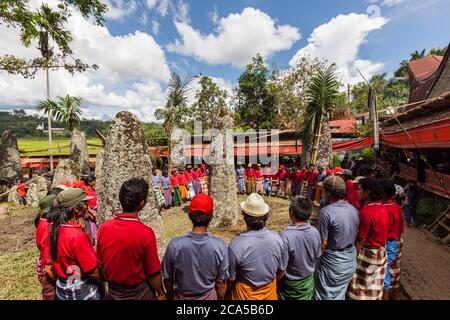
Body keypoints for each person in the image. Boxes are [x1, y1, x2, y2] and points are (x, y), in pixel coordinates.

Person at [96, 178, 166, 300]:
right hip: (138, 293)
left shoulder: (104, 228)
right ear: (142, 203)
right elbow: (153, 272)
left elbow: (100, 263)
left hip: (113, 291)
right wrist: (160, 292)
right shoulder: (145, 233)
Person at [162, 194, 229, 300]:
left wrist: (170, 295)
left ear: (189, 215)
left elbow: (167, 278)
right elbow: (221, 282)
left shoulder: (175, 245)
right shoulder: (219, 246)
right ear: (211, 217)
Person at [227, 193, 287, 300]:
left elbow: (231, 279)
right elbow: (281, 270)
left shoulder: (236, 245)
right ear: (266, 217)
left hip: (244, 295)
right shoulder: (277, 239)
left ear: (244, 217)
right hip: (270, 293)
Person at [47, 188, 104, 300]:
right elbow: (93, 271)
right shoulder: (76, 235)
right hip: (81, 289)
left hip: (64, 286)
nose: (87, 206)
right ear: (76, 210)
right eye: (85, 203)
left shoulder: (56, 228)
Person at [314, 176, 360, 300]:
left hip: (332, 263)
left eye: (323, 191)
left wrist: (313, 260)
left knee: (324, 295)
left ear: (328, 193)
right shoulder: (353, 210)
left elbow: (322, 244)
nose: (322, 193)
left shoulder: (326, 212)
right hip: (348, 261)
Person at [347, 178, 389, 300]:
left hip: (367, 253)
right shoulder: (383, 208)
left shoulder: (366, 212)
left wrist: (352, 257)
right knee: (374, 288)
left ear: (368, 192)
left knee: (359, 288)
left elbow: (361, 240)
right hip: (380, 252)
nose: (357, 192)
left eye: (359, 189)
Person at [278, 197, 321, 300]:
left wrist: (274, 282)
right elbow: (317, 256)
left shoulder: (285, 236)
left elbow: (281, 269)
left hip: (289, 287)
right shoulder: (315, 232)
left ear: (291, 212)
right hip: (307, 284)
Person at [35, 187, 64, 300]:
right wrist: (62, 283)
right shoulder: (48, 227)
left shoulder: (43, 221)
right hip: (49, 272)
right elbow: (48, 267)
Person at [381, 180, 405, 300]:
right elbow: (400, 229)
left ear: (384, 193)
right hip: (392, 244)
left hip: (383, 243)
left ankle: (385, 296)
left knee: (383, 272)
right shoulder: (397, 208)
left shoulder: (382, 209)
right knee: (387, 270)